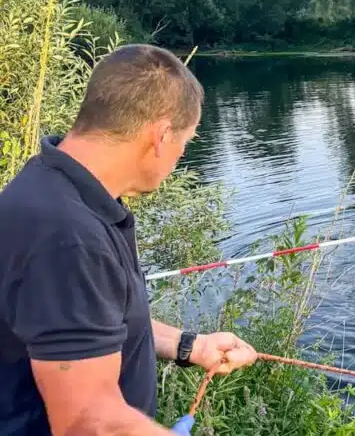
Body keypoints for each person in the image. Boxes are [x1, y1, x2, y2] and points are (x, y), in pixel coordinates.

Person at [0, 44, 259, 436]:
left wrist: (190, 345)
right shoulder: (67, 235)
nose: (179, 158)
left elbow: (87, 323)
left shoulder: (59, 190)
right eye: (184, 143)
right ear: (160, 136)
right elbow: (88, 421)